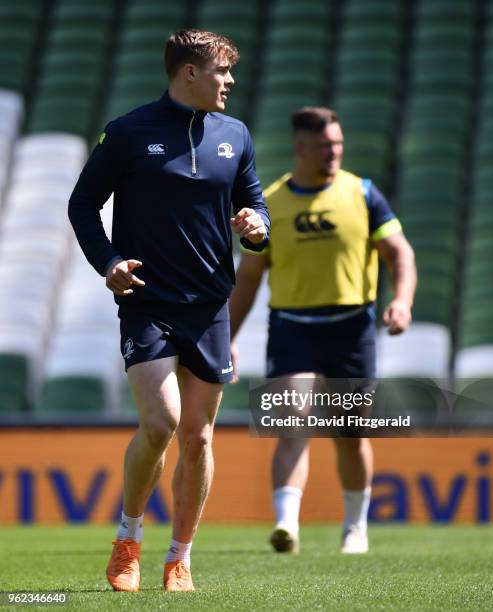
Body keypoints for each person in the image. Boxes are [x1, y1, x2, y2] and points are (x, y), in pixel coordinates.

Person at [68, 29, 269, 592]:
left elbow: (253, 202)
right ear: (189, 73)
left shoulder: (236, 134)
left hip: (210, 305)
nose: (229, 82)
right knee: (161, 423)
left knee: (199, 439)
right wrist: (107, 261)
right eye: (221, 72)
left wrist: (258, 228)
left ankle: (179, 557)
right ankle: (127, 539)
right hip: (147, 301)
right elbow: (83, 203)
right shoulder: (129, 132)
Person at [229, 107, 416, 555]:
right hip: (293, 327)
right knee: (292, 420)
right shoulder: (270, 204)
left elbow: (400, 254)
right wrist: (228, 337)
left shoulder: (364, 194)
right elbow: (250, 278)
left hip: (351, 329)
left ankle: (355, 527)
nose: (334, 152)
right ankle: (286, 525)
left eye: (337, 144)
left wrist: (402, 300)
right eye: (324, 146)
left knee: (351, 434)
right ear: (300, 149)